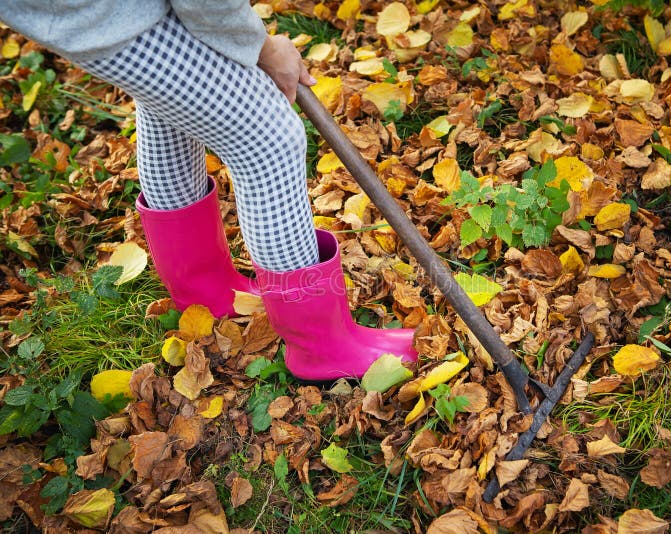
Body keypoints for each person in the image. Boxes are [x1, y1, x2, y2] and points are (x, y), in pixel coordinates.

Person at [0, 1, 417, 381]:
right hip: (108, 14)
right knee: (268, 139)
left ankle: (207, 294)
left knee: (170, 110)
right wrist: (260, 46)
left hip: (91, 11)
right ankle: (322, 347)